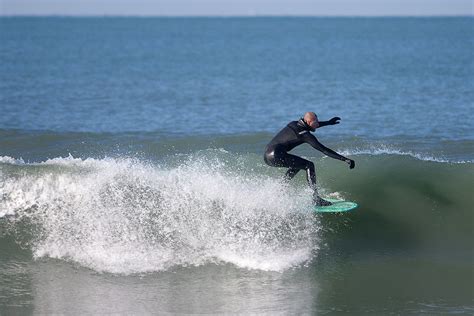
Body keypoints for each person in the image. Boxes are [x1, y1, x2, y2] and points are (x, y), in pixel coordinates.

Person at [264, 112, 355, 206]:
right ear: (309, 121)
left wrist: (328, 122)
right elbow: (324, 150)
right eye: (316, 122)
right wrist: (344, 159)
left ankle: (280, 189)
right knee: (309, 165)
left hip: (267, 156)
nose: (317, 124)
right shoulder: (305, 135)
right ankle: (316, 198)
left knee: (297, 165)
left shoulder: (293, 124)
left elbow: (310, 126)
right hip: (276, 155)